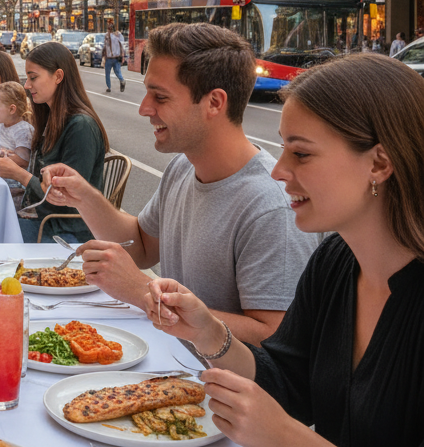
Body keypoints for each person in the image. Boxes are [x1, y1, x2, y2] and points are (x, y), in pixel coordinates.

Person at [143, 53, 424, 447]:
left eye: (301, 154)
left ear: (379, 164)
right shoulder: (336, 261)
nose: (278, 171)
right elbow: (289, 384)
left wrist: (292, 442)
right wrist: (209, 333)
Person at [46, 22, 317, 345]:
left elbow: (274, 336)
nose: (144, 109)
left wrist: (143, 292)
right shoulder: (183, 167)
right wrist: (83, 196)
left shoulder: (270, 207)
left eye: (160, 97)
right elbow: (141, 247)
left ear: (214, 103)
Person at [0, 41, 107, 243]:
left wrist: (18, 174)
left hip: (66, 231)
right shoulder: (51, 118)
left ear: (58, 76)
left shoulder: (81, 126)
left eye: (33, 77)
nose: (27, 85)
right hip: (45, 219)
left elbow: (66, 197)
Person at [102, 24, 126, 93]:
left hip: (109, 58)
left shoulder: (107, 36)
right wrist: (122, 56)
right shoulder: (119, 35)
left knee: (107, 73)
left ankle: (108, 87)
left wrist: (103, 56)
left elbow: (105, 47)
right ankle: (122, 80)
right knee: (117, 72)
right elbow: (122, 46)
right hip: (117, 57)